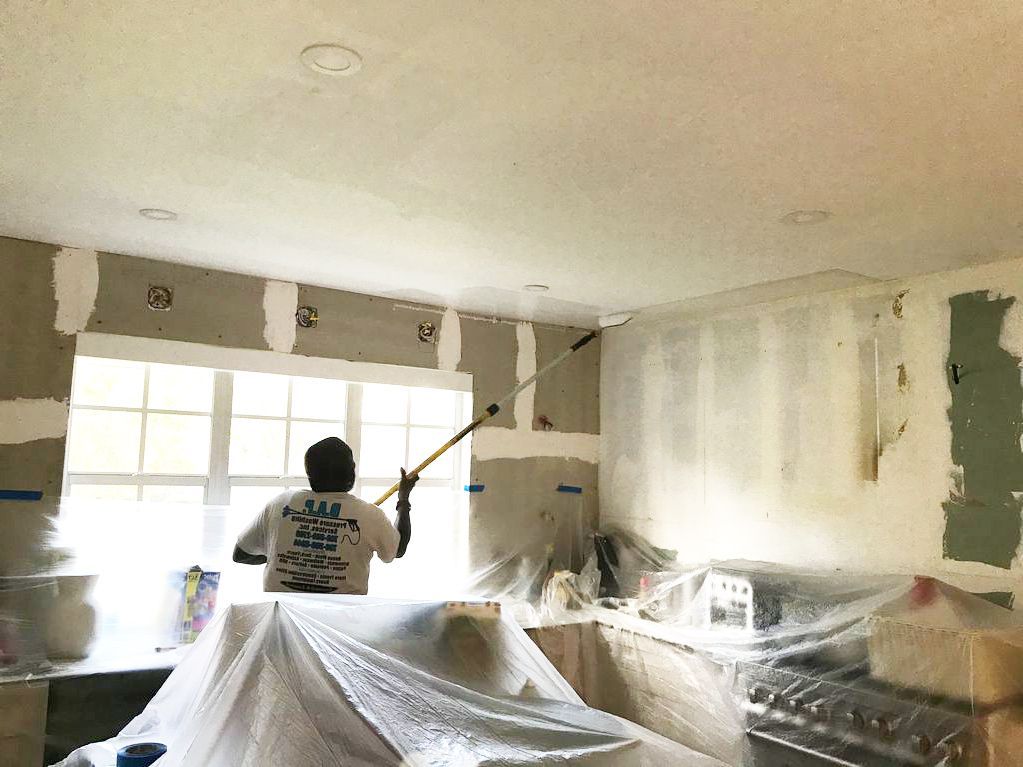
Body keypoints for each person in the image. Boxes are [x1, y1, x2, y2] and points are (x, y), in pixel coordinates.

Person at [232, 436, 417, 594]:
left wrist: (284, 554)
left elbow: (241, 554)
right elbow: (397, 549)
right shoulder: (369, 515)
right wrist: (403, 499)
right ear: (352, 469)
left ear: (308, 473)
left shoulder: (280, 504)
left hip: (282, 627)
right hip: (339, 628)